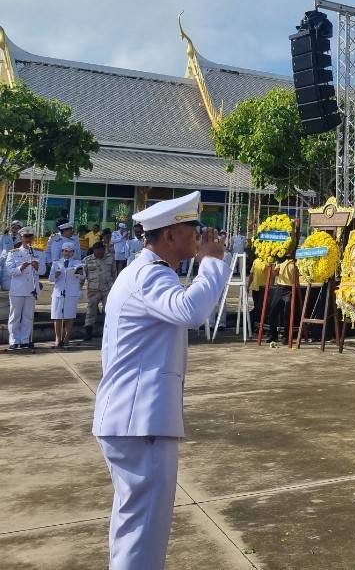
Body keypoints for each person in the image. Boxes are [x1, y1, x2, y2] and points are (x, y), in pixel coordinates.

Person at [92, 191, 227, 569]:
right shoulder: (149, 274)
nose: (198, 238)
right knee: (143, 531)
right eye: (191, 230)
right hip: (139, 421)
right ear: (169, 236)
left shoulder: (147, 272)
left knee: (136, 525)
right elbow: (191, 310)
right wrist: (212, 264)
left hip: (136, 418)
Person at [6, 226, 46, 350]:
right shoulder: (13, 253)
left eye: (30, 237)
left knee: (28, 316)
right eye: (26, 237)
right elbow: (9, 271)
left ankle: (24, 340)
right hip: (17, 289)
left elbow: (43, 271)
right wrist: (20, 268)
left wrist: (37, 266)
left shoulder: (39, 252)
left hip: (31, 289)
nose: (28, 239)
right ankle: (14, 340)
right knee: (15, 316)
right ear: (21, 238)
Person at [51, 243, 84, 348]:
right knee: (57, 316)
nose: (68, 253)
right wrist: (55, 275)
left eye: (70, 251)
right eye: (65, 251)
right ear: (62, 252)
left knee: (70, 316)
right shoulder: (56, 263)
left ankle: (67, 338)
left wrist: (77, 273)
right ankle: (58, 338)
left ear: (73, 252)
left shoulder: (78, 263)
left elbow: (83, 277)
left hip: (71, 292)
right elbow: (50, 278)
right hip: (59, 292)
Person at [84, 241, 115, 341]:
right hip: (93, 290)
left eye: (101, 251)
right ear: (94, 251)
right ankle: (88, 332)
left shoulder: (110, 258)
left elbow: (114, 272)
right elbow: (82, 275)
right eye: (97, 251)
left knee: (109, 310)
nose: (99, 253)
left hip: (107, 289)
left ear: (103, 249)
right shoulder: (87, 260)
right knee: (91, 311)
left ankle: (109, 332)